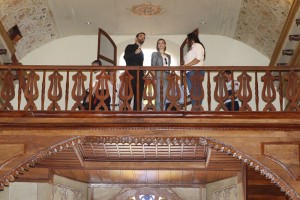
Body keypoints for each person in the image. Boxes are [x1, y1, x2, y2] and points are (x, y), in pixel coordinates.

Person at [123, 32, 146, 111]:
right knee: (128, 95)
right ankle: (124, 115)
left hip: (140, 77)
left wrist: (144, 71)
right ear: (136, 38)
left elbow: (140, 64)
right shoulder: (129, 47)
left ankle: (137, 115)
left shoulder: (141, 51)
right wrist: (134, 53)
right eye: (141, 36)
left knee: (138, 96)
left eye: (144, 37)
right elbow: (126, 57)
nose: (142, 38)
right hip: (130, 75)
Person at [183, 32, 206, 107]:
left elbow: (198, 59)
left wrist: (186, 65)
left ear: (191, 39)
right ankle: (195, 108)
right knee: (192, 92)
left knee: (196, 92)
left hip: (195, 72)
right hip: (190, 72)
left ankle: (197, 109)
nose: (186, 41)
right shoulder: (192, 48)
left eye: (187, 39)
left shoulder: (198, 45)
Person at [151, 38, 171, 111]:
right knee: (158, 97)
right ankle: (157, 114)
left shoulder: (168, 56)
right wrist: (154, 78)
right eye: (159, 43)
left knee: (164, 97)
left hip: (166, 77)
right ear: (157, 45)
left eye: (162, 43)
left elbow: (168, 67)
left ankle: (162, 112)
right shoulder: (155, 54)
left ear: (165, 45)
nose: (161, 44)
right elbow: (152, 67)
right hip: (158, 76)